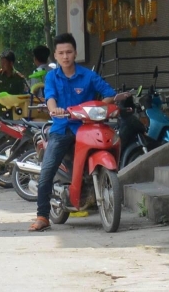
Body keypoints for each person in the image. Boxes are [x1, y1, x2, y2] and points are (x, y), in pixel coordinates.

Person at [30, 33, 116, 232]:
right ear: (56, 56)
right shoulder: (52, 76)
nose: (66, 56)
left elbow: (109, 94)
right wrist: (53, 109)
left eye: (69, 52)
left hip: (86, 129)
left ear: (75, 53)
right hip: (61, 129)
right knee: (47, 172)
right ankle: (42, 216)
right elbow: (50, 97)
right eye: (61, 53)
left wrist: (98, 107)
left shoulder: (88, 76)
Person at [0, 50, 27, 137]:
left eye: (4, 62)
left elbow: (24, 96)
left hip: (13, 113)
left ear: (11, 63)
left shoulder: (18, 78)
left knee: (14, 138)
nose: (2, 64)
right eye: (1, 62)